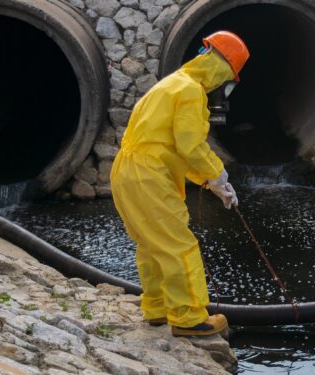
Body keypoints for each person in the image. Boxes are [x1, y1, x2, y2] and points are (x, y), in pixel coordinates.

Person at [110, 31, 249, 336]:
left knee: (151, 244)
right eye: (228, 78)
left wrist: (210, 182)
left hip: (127, 170)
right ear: (221, 67)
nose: (223, 86)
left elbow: (168, 145)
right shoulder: (190, 91)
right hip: (149, 175)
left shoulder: (170, 83)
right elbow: (189, 146)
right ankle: (188, 318)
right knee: (178, 245)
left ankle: (158, 308)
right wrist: (217, 173)